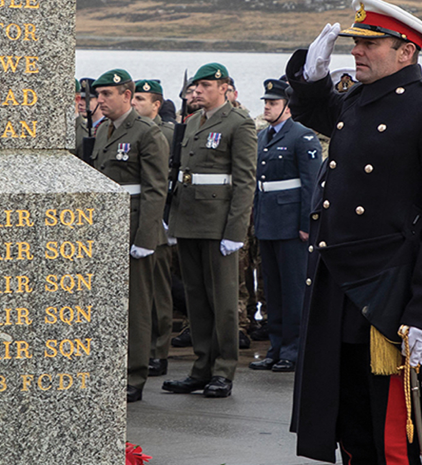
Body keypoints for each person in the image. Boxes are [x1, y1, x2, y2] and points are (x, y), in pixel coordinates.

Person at [286, 0, 422, 465]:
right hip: (341, 295)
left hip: (390, 303)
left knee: (395, 445)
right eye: (356, 43)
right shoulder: (359, 100)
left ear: (406, 51)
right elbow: (319, 111)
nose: (359, 52)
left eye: (371, 44)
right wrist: (312, 77)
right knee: (352, 434)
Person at [163, 62, 257, 398]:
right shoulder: (191, 124)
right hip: (189, 219)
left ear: (224, 87)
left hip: (218, 223)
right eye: (195, 87)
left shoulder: (239, 123)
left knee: (224, 301)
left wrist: (235, 231)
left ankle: (223, 369)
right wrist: (172, 220)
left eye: (204, 86)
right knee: (197, 298)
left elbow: (244, 182)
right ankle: (201, 367)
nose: (196, 92)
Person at [90, 69, 169, 402]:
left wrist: (145, 238)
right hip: (106, 228)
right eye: (98, 95)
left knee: (136, 306)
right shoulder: (103, 130)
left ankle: (134, 375)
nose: (100, 101)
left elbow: (155, 189)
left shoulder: (147, 133)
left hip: (135, 227)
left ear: (126, 94)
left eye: (107, 94)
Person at [249, 78, 322, 372]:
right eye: (266, 102)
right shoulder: (264, 136)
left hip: (292, 225)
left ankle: (293, 350)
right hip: (268, 221)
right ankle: (276, 346)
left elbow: (311, 185)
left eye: (273, 103)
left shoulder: (302, 137)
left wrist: (307, 224)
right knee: (273, 290)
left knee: (293, 291)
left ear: (288, 107)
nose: (267, 107)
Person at [132, 79, 176, 378]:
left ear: (156, 105)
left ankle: (159, 350)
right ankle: (142, 348)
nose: (136, 104)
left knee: (159, 291)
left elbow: (164, 180)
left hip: (161, 219)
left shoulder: (169, 132)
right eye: (133, 98)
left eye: (141, 100)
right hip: (145, 216)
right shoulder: (130, 132)